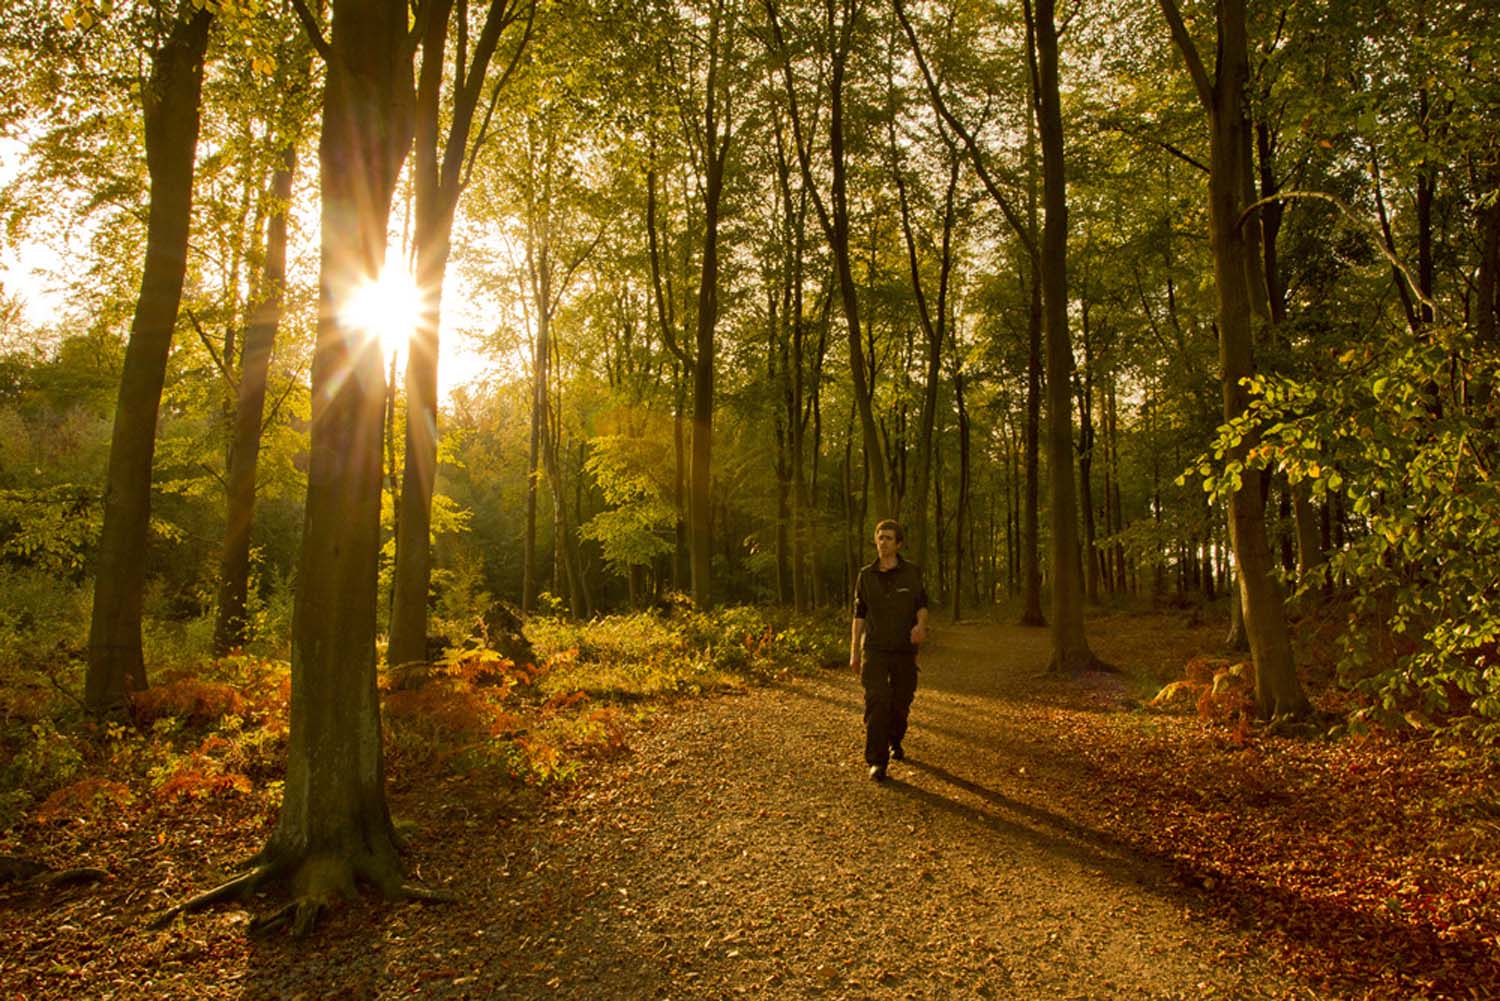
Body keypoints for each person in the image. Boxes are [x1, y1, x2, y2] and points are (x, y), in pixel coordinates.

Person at [849, 519, 928, 782]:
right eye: (880, 537)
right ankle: (876, 761)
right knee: (877, 701)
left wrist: (921, 626)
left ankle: (896, 738)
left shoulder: (911, 573)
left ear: (899, 543)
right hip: (875, 649)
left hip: (904, 649)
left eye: (889, 538)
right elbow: (859, 615)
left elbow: (921, 605)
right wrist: (854, 652)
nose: (883, 542)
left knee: (900, 702)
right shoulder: (865, 575)